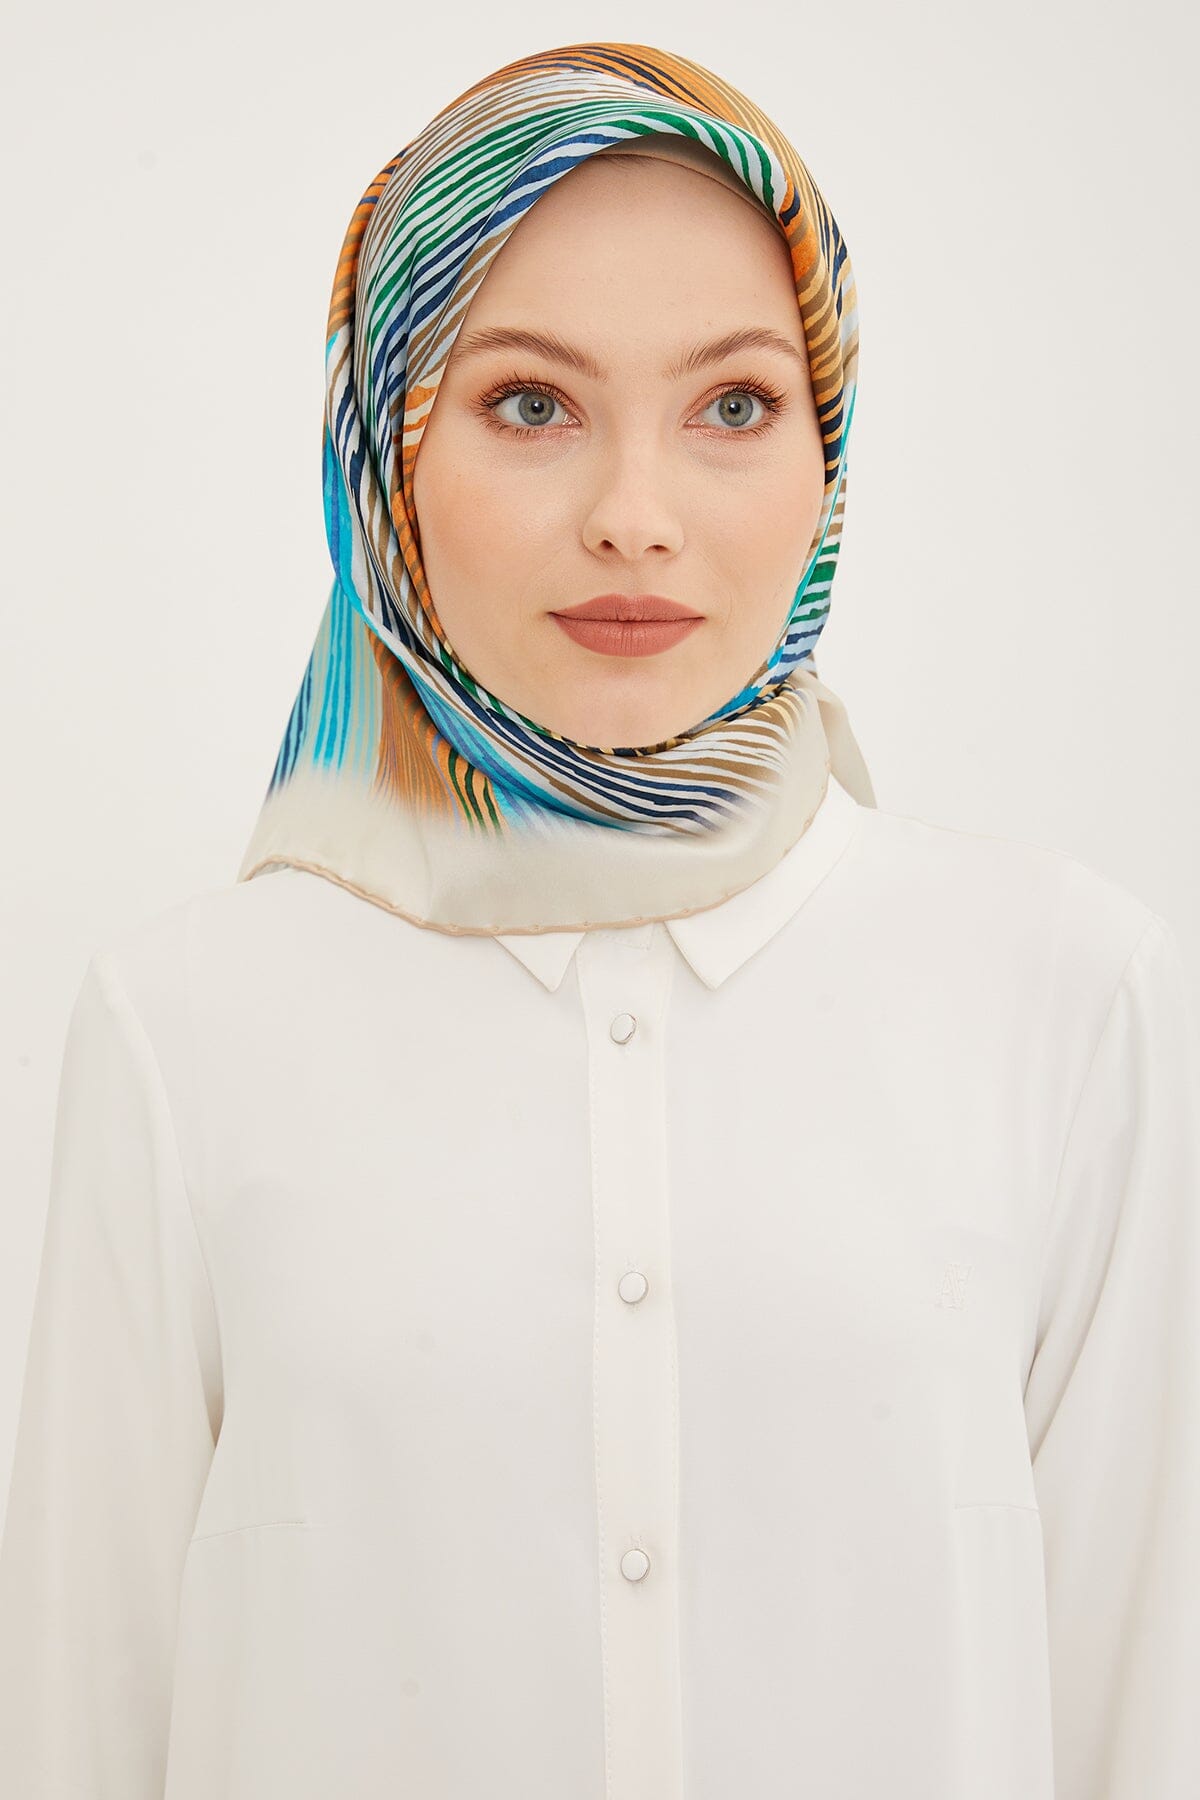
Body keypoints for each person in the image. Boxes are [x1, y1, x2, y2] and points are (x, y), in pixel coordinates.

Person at [1, 39, 1197, 1800]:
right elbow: (83, 1714)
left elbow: (1138, 1708)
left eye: (735, 407)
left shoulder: (1063, 995)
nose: (636, 520)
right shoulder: (187, 1026)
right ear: (384, 453)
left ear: (827, 452)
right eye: (529, 405)